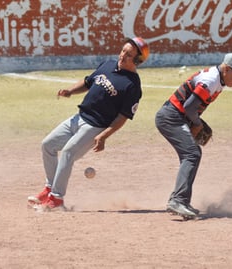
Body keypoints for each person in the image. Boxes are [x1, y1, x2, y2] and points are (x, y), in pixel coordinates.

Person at [28, 37, 150, 211]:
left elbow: (122, 117)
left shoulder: (132, 86)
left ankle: (56, 200)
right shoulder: (108, 64)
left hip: (95, 127)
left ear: (137, 60)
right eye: (123, 51)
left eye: (129, 54)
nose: (122, 56)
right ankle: (49, 189)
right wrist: (70, 91)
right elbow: (87, 82)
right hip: (79, 117)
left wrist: (103, 136)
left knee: (68, 153)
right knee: (48, 144)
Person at [155, 53, 232, 219]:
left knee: (190, 154)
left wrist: (193, 122)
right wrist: (197, 124)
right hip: (171, 117)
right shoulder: (211, 81)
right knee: (192, 154)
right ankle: (178, 201)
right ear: (227, 69)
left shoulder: (218, 80)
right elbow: (189, 107)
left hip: (178, 116)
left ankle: (180, 200)